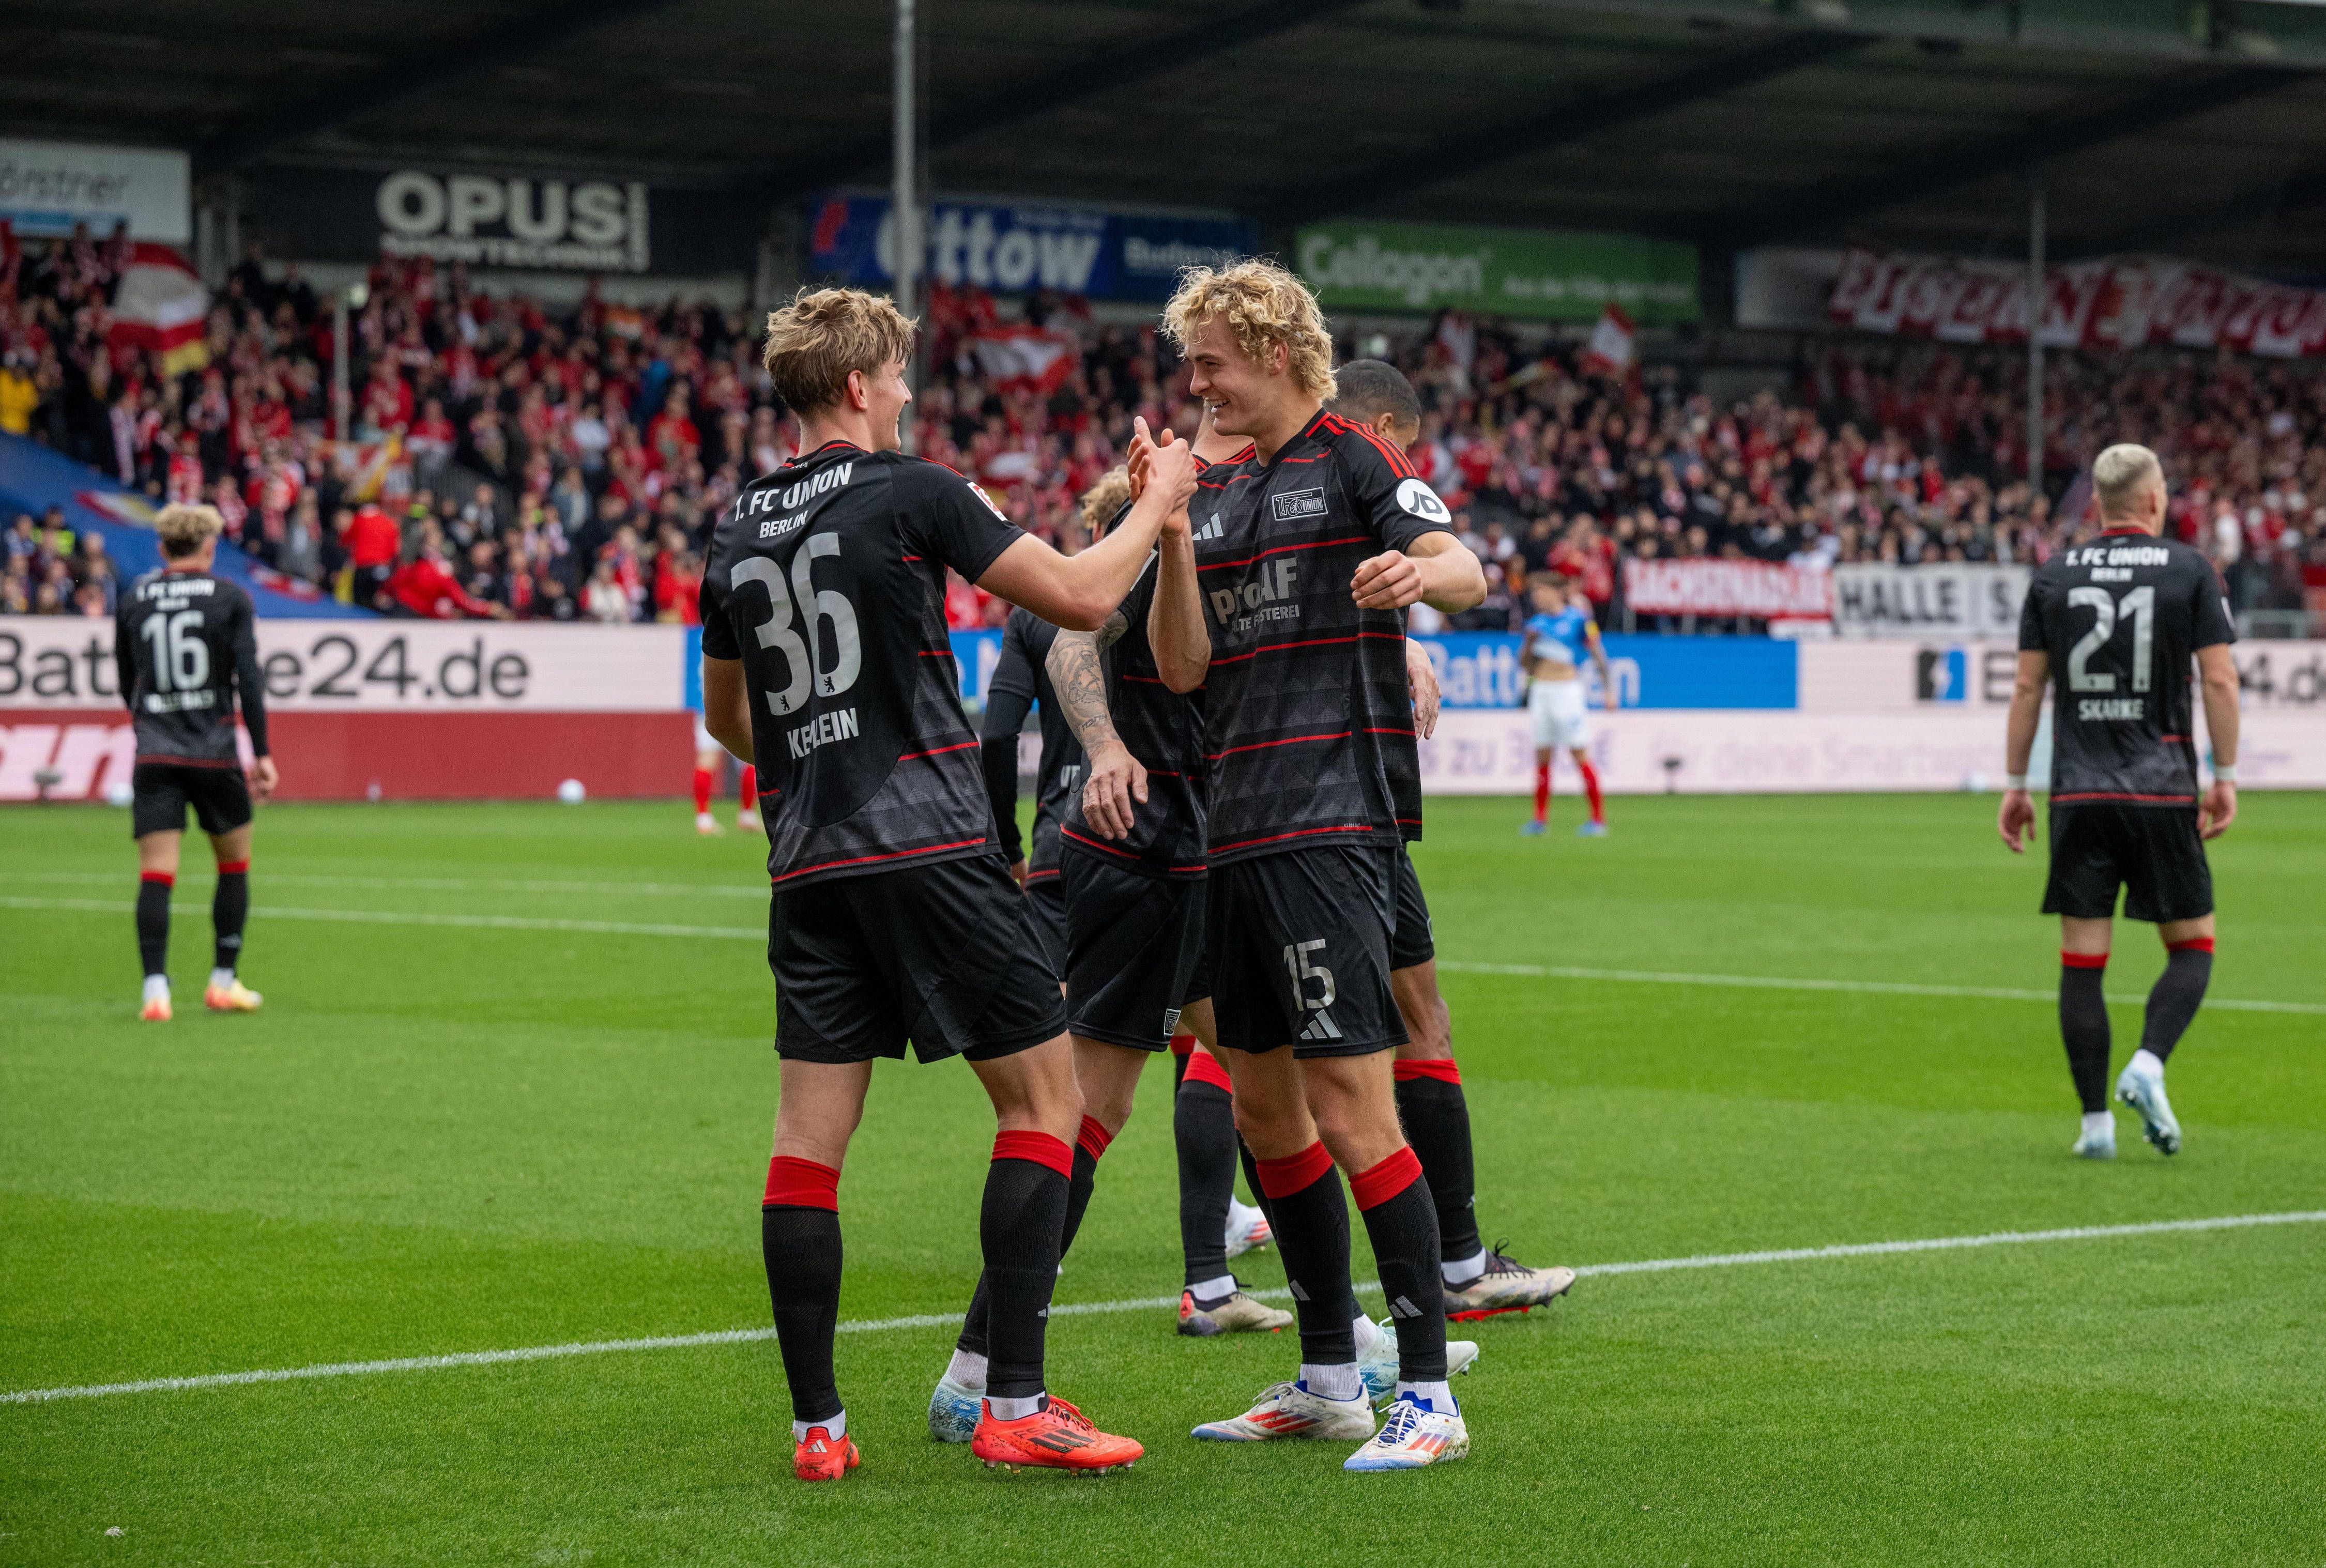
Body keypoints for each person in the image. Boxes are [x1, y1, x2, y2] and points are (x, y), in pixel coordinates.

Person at [697, 286, 1196, 1482]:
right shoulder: (908, 486)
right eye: (903, 376)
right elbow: (1080, 596)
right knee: (1045, 1105)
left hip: (808, 857)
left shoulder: (735, 523)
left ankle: (818, 1426)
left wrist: (827, 750)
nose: (911, 394)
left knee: (806, 1146)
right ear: (860, 386)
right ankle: (1013, 1402)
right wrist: (1157, 503)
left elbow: (728, 719)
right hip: (927, 843)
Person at [1149, 259, 1488, 1471]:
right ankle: (1329, 1374)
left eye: (1210, 361)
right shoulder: (1218, 485)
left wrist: (1415, 574)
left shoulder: (1354, 456)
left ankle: (1431, 1394)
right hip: (1231, 829)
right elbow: (1183, 667)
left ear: (1277, 354)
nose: (1194, 382)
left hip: (1329, 827)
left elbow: (1464, 566)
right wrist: (1176, 536)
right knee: (1263, 1106)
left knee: (1352, 1105)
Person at [929, 450, 1295, 1447]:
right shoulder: (1142, 564)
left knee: (1269, 1081)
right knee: (1090, 1104)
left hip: (1186, 857)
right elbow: (1062, 646)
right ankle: (980, 1370)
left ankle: (1325, 1334)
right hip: (1144, 856)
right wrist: (1109, 751)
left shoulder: (1212, 548)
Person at [1326, 361, 1579, 1319]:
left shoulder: (1274, 483)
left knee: (1371, 1034)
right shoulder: (1355, 468)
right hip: (1337, 807)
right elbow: (1456, 569)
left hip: (1345, 808)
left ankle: (1441, 1269)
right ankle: (1418, 1287)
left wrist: (1408, 630)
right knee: (1300, 1060)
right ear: (1387, 424)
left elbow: (1458, 572)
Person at [1999, 442, 2240, 1160]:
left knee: (2082, 961)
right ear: (2155, 499)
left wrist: (2015, 786)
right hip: (2163, 786)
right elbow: (2221, 682)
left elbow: (2025, 690)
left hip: (2079, 786)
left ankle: (2094, 1127)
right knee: (2193, 946)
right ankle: (2149, 1062)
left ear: (2099, 505)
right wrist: (2224, 773)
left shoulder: (2053, 576)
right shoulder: (2192, 570)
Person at [114, 504, 277, 1022]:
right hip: (214, 753)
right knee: (234, 865)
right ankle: (222, 981)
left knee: (156, 875)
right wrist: (264, 753)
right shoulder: (230, 598)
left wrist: (149, 723)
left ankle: (155, 991)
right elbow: (247, 680)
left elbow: (126, 678)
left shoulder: (135, 597)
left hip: (157, 752)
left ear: (162, 549)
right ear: (209, 548)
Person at [978, 601, 1082, 972]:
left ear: (1097, 537)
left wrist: (1009, 848)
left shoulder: (1035, 615)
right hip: (1154, 837)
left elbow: (997, 737)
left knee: (1064, 1015)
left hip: (1063, 844)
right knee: (1173, 999)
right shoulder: (1161, 596)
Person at [1519, 574, 1613, 837]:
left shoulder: (1579, 619)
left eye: (1540, 590)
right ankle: (1539, 820)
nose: (1536, 596)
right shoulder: (1535, 625)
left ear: (1556, 591)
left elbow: (1597, 654)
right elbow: (1525, 665)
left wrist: (1609, 691)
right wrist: (1528, 646)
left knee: (1579, 753)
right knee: (1542, 755)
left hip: (1568, 691)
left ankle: (1597, 819)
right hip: (1541, 690)